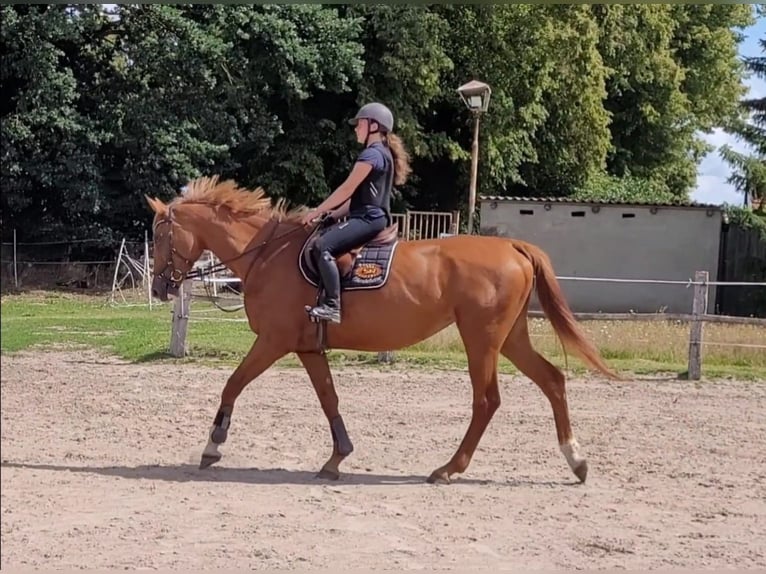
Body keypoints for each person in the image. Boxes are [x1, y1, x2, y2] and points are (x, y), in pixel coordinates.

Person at [300, 101, 412, 323]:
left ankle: (332, 306)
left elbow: (347, 188)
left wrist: (317, 210)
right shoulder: (381, 153)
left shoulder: (372, 155)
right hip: (368, 215)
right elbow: (355, 199)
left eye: (359, 124)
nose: (355, 128)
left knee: (322, 246)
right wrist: (331, 215)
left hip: (369, 219)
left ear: (373, 126)